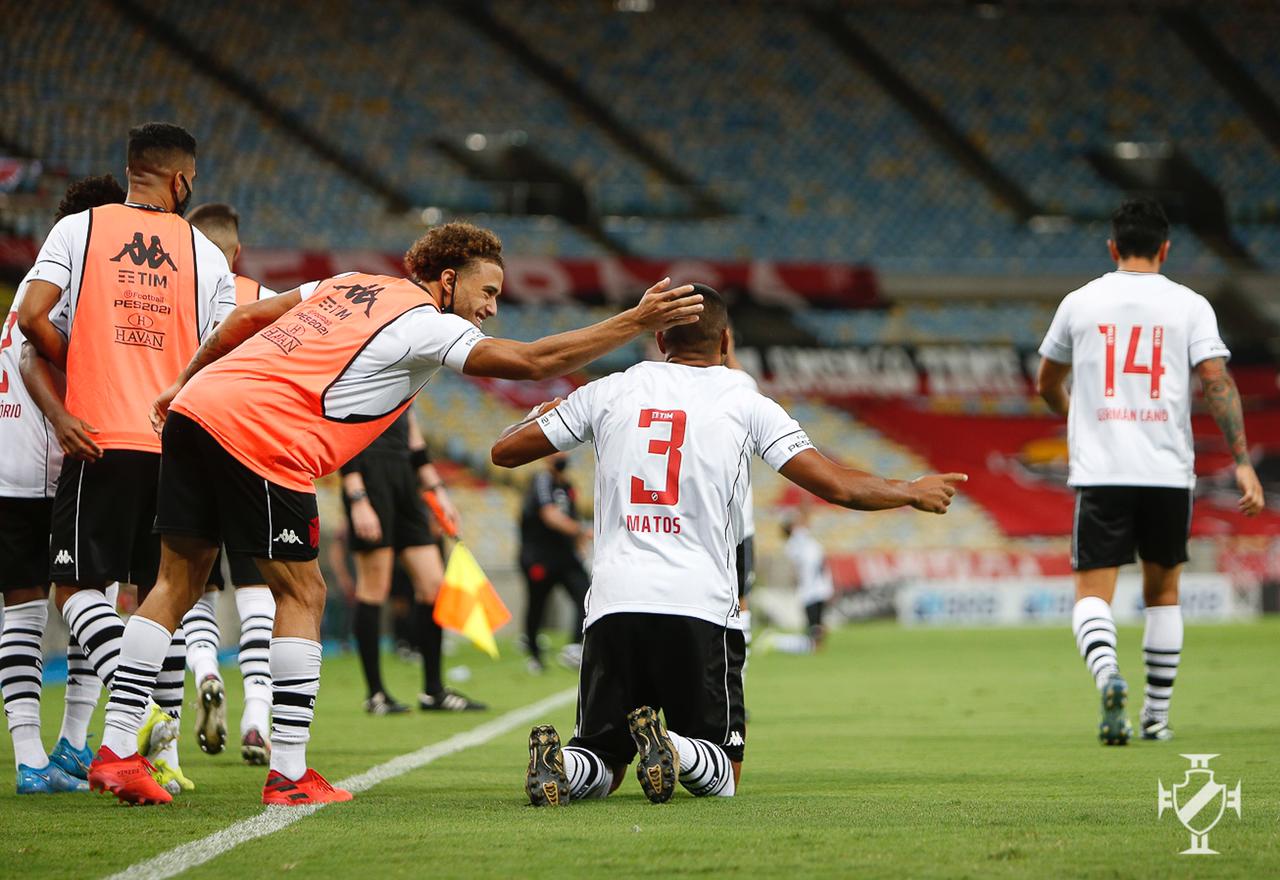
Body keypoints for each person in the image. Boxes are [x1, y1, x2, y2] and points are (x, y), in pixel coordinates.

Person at [87, 221, 703, 807]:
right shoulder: (428, 324)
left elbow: (245, 318)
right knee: (303, 594)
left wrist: (181, 386)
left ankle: (115, 752)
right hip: (263, 433)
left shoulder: (351, 282)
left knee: (175, 582)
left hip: (198, 410)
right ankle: (291, 772)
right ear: (447, 280)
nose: (491, 307)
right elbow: (535, 362)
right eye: (486, 291)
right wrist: (637, 319)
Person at [491, 284, 965, 807]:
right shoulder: (745, 400)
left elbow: (506, 451)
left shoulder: (611, 390)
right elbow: (838, 486)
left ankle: (564, 764)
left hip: (614, 600)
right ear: (726, 341)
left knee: (605, 759)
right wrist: (910, 490)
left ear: (659, 337)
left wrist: (542, 415)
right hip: (699, 603)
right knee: (724, 774)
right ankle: (669, 744)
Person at [17, 122, 237, 795]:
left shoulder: (80, 230)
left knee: (74, 589)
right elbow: (223, 353)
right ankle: (138, 754)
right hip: (174, 449)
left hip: (101, 436)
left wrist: (78, 371)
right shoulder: (207, 256)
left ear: (132, 168)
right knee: (155, 599)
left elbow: (29, 318)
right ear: (182, 180)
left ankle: (131, 720)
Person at [1036, 198, 1264, 746]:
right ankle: (1156, 717)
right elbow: (1216, 382)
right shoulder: (1190, 306)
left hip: (1103, 469)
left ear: (1112, 248)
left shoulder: (1080, 302)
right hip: (1167, 472)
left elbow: (1046, 382)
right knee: (1164, 593)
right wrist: (1241, 461)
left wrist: (1080, 421)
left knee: (1092, 593)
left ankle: (1108, 675)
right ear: (1165, 248)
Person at [0, 174, 125, 794]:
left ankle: (39, 756)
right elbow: (35, 351)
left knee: (24, 609)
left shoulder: (34, 282)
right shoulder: (76, 278)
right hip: (58, 461)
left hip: (9, 462)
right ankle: (110, 716)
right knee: (83, 590)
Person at [177, 202, 279, 765]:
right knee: (261, 587)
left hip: (185, 445)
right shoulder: (265, 299)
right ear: (237, 252)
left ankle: (206, 670)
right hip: (251, 451)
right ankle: (258, 714)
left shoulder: (165, 292)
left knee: (190, 580)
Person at [342, 409, 485, 714]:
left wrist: (438, 492)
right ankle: (376, 694)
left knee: (434, 586)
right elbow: (343, 435)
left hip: (405, 477)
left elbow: (416, 442)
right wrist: (358, 499)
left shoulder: (408, 379)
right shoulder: (359, 370)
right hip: (369, 473)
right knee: (374, 587)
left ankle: (433, 691)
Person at [518, 452, 591, 673]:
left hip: (565, 556)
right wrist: (581, 531)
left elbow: (572, 515)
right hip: (540, 556)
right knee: (537, 604)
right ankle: (533, 653)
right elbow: (549, 514)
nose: (564, 455)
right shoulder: (542, 480)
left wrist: (579, 545)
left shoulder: (568, 485)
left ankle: (575, 647)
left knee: (586, 597)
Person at [779, 508, 834, 653]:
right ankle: (815, 644)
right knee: (814, 619)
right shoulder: (795, 542)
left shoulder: (795, 543)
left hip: (816, 584)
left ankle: (815, 644)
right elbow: (804, 521)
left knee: (816, 619)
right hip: (811, 586)